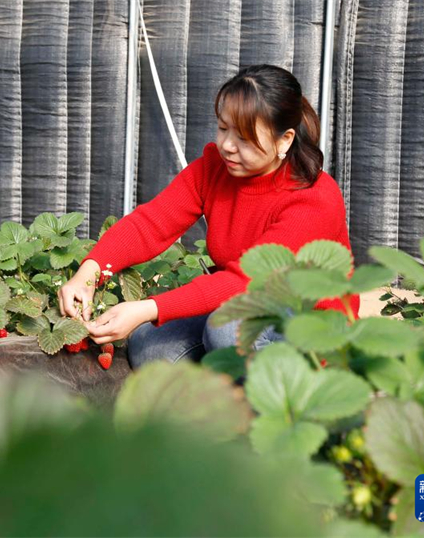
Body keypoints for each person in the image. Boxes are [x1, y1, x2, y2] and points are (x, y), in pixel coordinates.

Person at [57, 64, 359, 369]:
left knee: (228, 331)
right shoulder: (215, 169)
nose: (227, 146)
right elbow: (152, 223)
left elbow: (247, 282)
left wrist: (149, 307)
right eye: (223, 128)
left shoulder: (312, 198)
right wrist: (90, 273)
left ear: (284, 140)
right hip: (240, 308)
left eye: (244, 137)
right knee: (149, 346)